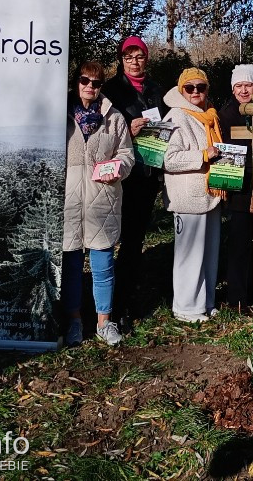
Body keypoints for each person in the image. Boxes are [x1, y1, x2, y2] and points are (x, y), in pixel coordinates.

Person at [62, 61, 135, 347]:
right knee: (70, 265)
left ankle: (105, 322)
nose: (90, 87)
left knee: (103, 264)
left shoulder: (114, 118)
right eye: (85, 81)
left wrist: (118, 168)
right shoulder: (61, 116)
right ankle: (73, 321)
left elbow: (127, 153)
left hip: (102, 201)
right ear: (76, 82)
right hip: (69, 202)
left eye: (96, 83)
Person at [101, 35, 166, 327]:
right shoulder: (111, 90)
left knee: (133, 240)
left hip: (147, 173)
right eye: (129, 57)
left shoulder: (156, 89)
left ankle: (125, 302)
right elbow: (100, 131)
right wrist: (128, 128)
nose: (135, 62)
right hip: (120, 174)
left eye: (139, 56)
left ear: (147, 59)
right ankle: (107, 305)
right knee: (109, 240)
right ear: (121, 60)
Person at [163, 68, 225, 322]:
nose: (196, 92)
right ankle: (186, 307)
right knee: (189, 255)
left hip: (211, 194)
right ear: (181, 90)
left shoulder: (210, 115)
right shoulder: (175, 116)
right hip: (188, 196)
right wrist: (202, 155)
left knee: (209, 253)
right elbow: (168, 159)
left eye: (201, 87)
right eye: (190, 88)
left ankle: (205, 301)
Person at [217, 64, 253, 312]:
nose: (244, 90)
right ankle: (237, 298)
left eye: (248, 85)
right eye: (239, 86)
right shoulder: (225, 115)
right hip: (239, 190)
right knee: (239, 243)